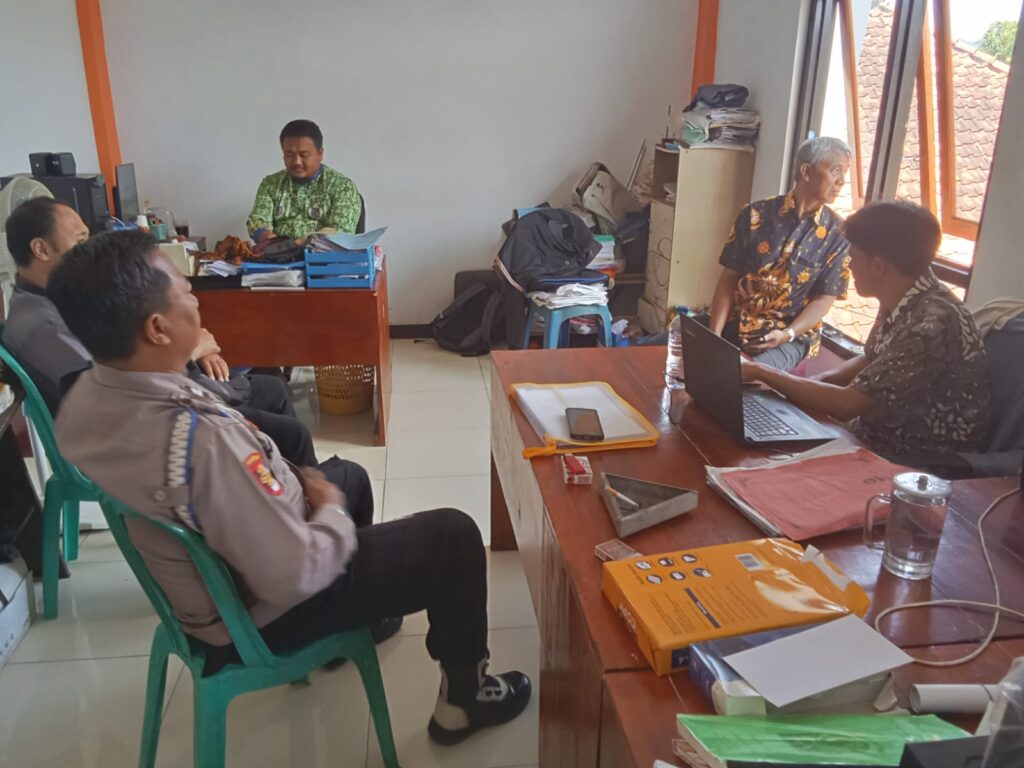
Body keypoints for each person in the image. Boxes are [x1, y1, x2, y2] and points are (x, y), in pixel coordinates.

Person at [49, 230, 531, 745]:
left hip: (213, 580)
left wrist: (292, 482)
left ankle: (360, 619)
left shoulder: (86, 399)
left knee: (350, 475)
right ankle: (464, 701)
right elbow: (291, 575)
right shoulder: (206, 443)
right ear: (157, 328)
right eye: (185, 292)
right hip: (263, 609)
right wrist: (329, 514)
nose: (196, 300)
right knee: (453, 536)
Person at [2, 198, 319, 472]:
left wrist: (192, 347)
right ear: (41, 249)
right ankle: (287, 498)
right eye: (80, 241)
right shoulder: (41, 326)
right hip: (144, 429)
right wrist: (189, 351)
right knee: (292, 433)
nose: (88, 250)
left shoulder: (62, 298)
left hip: (161, 397)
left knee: (272, 387)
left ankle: (279, 486)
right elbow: (116, 393)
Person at [741, 201, 990, 459]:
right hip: (873, 436)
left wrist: (762, 372)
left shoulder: (932, 323)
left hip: (916, 459)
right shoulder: (904, 293)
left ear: (878, 266)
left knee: (758, 459)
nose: (849, 266)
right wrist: (819, 382)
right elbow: (872, 358)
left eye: (853, 258)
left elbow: (847, 405)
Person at [709, 136, 853, 370]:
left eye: (844, 173)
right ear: (806, 172)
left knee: (737, 376)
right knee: (661, 347)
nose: (842, 181)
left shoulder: (838, 235)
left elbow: (824, 299)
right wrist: (713, 335)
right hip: (736, 322)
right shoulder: (755, 215)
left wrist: (788, 334)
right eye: (836, 171)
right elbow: (728, 278)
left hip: (788, 338)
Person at [247, 119, 361, 244]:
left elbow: (341, 231)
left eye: (304, 155)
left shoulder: (342, 187)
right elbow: (257, 220)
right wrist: (265, 236)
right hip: (278, 253)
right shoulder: (270, 184)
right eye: (290, 155)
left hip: (322, 254)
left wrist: (300, 244)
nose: (297, 162)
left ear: (320, 153)